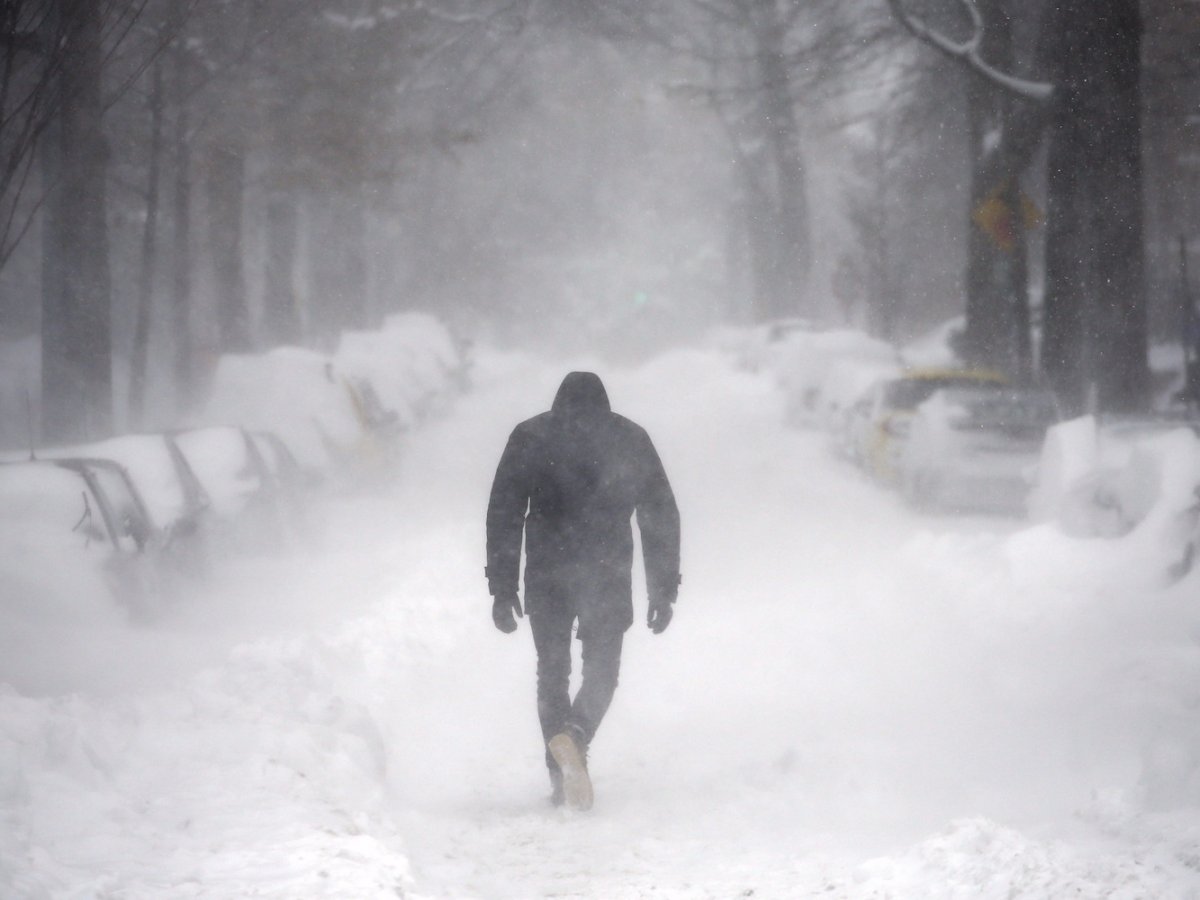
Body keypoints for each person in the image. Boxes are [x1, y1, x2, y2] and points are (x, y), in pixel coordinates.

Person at [486, 371, 681, 810]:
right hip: (606, 570)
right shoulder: (630, 438)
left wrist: (502, 587)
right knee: (602, 672)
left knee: (552, 673)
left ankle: (560, 778)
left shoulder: (531, 436)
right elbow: (659, 515)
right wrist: (663, 589)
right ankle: (576, 734)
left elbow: (505, 514)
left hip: (547, 571)